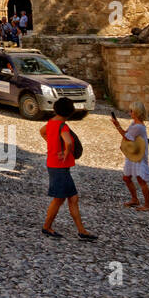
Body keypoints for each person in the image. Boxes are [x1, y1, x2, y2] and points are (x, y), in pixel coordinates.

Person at [41, 98, 97, 240]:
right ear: (69, 112)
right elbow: (69, 142)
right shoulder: (63, 126)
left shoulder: (51, 122)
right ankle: (47, 227)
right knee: (59, 199)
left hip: (54, 165)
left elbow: (42, 132)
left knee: (73, 198)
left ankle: (81, 231)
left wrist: (51, 144)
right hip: (59, 166)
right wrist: (66, 153)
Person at [112, 102, 149, 211]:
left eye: (131, 111)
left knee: (141, 180)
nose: (129, 113)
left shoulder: (139, 126)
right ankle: (135, 199)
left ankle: (147, 205)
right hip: (133, 153)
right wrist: (118, 126)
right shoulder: (134, 124)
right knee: (127, 177)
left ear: (137, 112)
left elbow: (127, 137)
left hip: (138, 155)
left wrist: (117, 125)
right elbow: (127, 134)